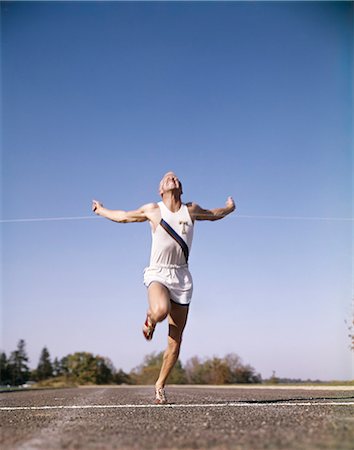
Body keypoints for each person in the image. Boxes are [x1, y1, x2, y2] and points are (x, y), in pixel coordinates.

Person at [92, 171, 235, 404]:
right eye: (167, 177)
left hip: (182, 277)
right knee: (160, 310)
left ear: (181, 187)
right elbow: (124, 217)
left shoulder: (191, 210)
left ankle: (160, 385)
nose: (173, 177)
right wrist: (101, 210)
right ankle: (150, 320)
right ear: (160, 190)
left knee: (175, 341)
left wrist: (229, 208)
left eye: (176, 177)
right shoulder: (153, 209)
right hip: (158, 272)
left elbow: (213, 214)